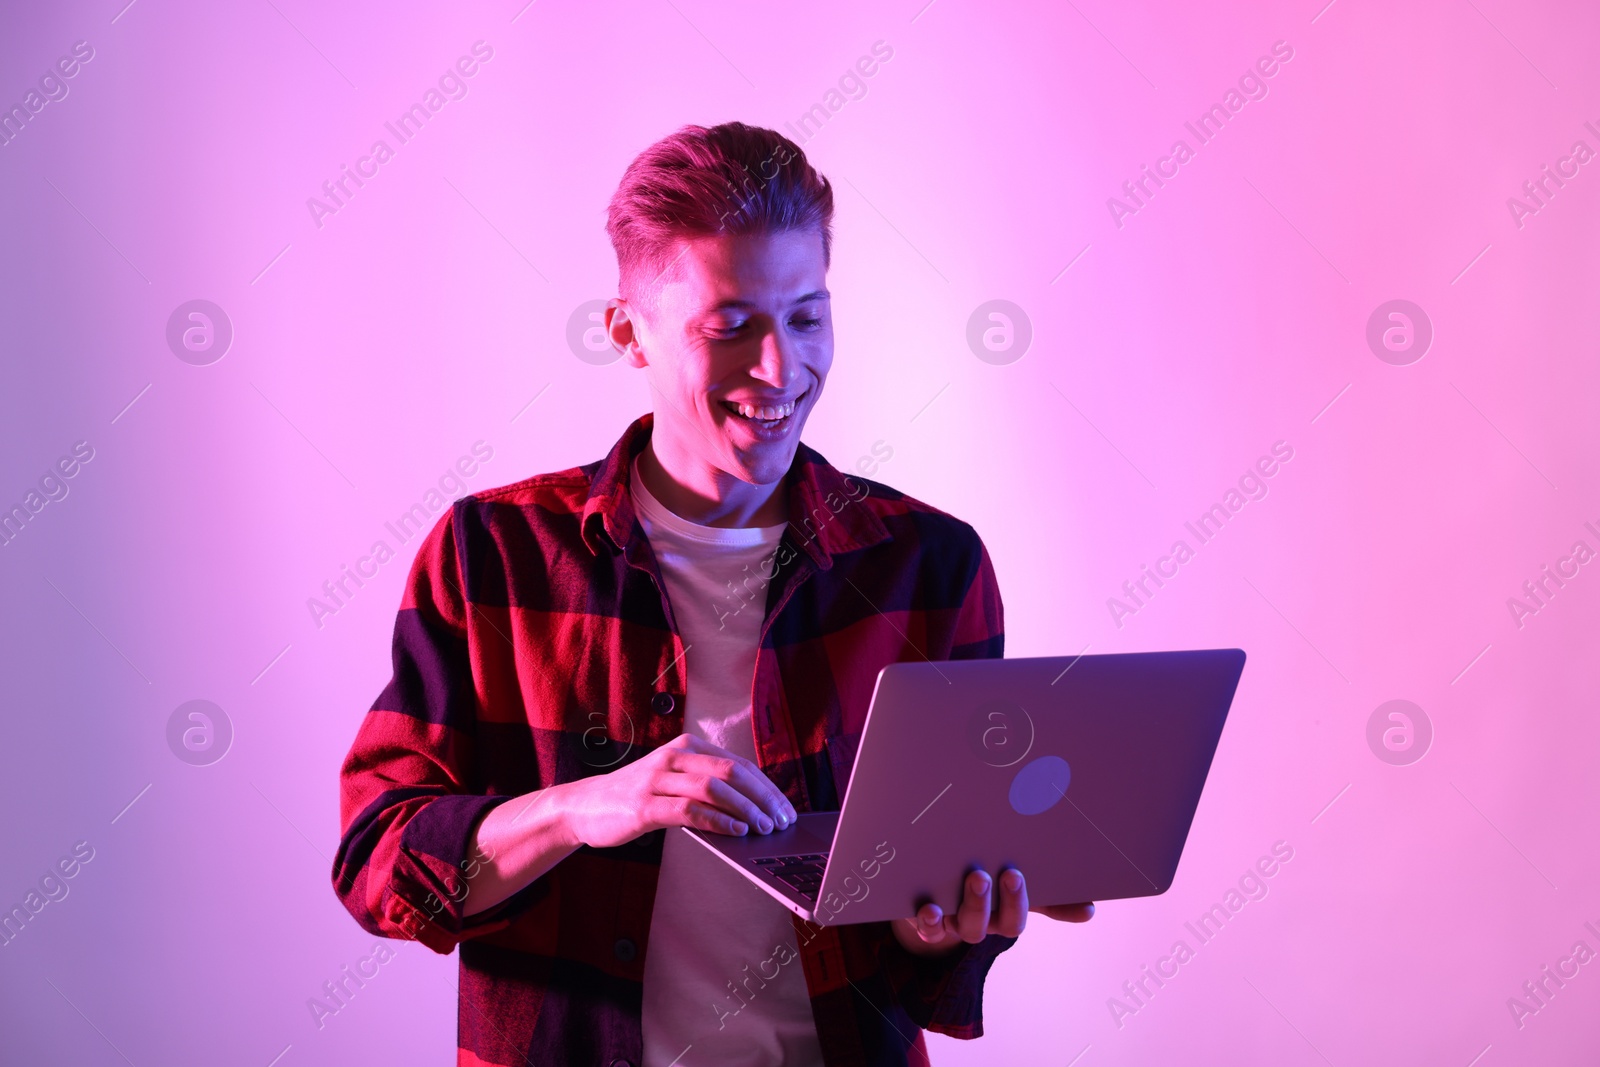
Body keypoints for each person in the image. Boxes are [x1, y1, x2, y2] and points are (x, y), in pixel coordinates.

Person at [332, 120, 1092, 1067]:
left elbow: (929, 935)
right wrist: (579, 808)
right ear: (627, 332)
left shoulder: (929, 567)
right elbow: (379, 862)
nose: (780, 370)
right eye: (730, 327)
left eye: (807, 316)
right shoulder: (491, 553)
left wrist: (943, 930)